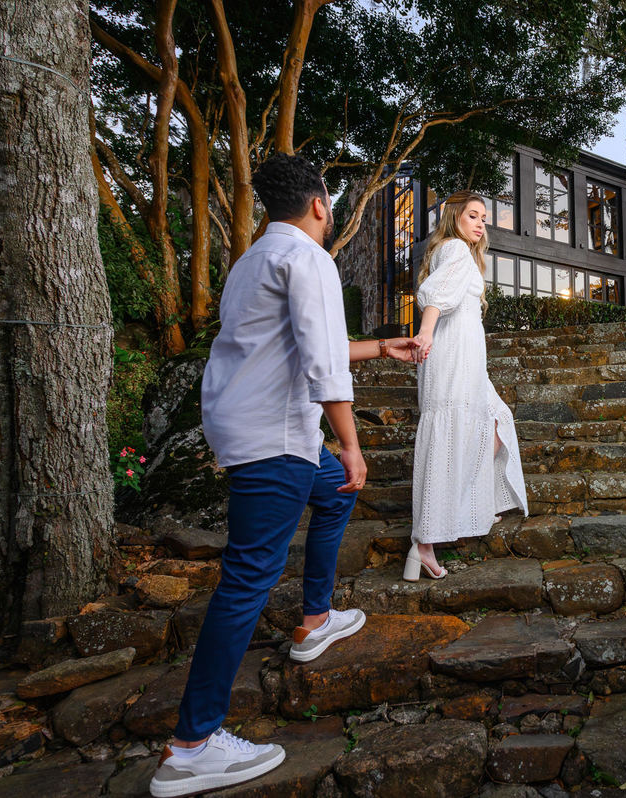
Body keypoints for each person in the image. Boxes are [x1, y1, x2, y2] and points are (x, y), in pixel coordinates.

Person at [149, 154, 419, 798]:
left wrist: (382, 345)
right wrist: (352, 444)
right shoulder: (309, 260)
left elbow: (298, 344)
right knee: (246, 579)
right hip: (274, 437)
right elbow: (324, 365)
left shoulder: (253, 260)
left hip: (258, 428)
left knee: (333, 494)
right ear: (321, 205)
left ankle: (315, 619)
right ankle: (192, 745)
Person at [405, 190, 528, 581]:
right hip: (453, 359)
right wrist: (424, 334)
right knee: (466, 431)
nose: (480, 223)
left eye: (484, 217)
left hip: (464, 360)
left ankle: (462, 504)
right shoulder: (456, 251)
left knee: (494, 421)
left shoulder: (450, 251)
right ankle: (425, 542)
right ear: (454, 217)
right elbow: (435, 298)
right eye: (472, 215)